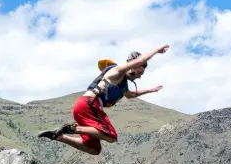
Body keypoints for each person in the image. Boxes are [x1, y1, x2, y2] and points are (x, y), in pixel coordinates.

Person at [38, 45, 169, 155]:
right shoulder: (116, 71)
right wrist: (157, 50)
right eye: (139, 73)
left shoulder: (122, 83)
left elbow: (129, 95)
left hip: (82, 107)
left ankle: (59, 136)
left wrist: (150, 90)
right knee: (111, 136)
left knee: (94, 149)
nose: (139, 77)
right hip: (89, 104)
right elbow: (139, 61)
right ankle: (71, 129)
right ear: (132, 67)